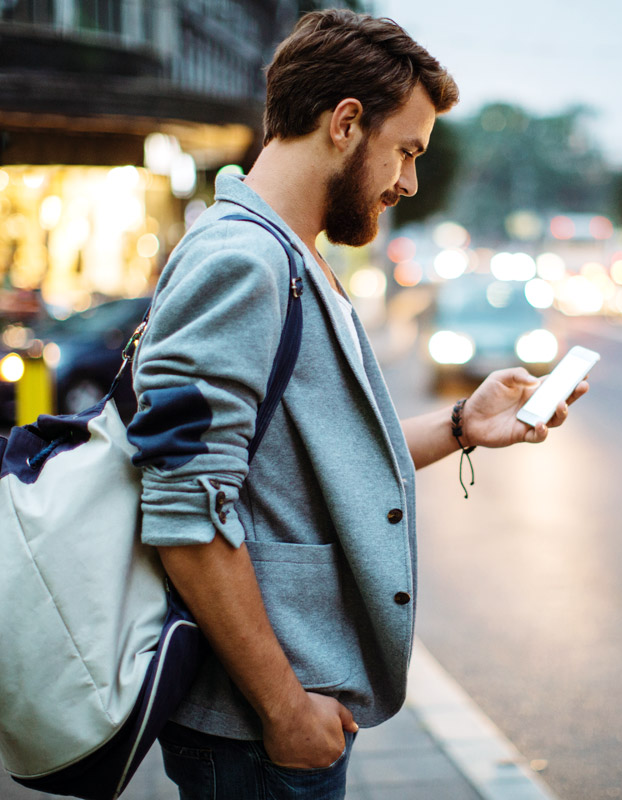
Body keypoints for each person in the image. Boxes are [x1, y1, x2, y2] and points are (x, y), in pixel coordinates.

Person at [129, 9, 589, 799]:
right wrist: (284, 710)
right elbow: (184, 511)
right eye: (406, 150)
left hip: (283, 717)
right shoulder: (243, 261)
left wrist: (460, 425)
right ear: (345, 124)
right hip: (256, 731)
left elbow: (320, 460)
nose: (408, 181)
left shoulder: (291, 254)